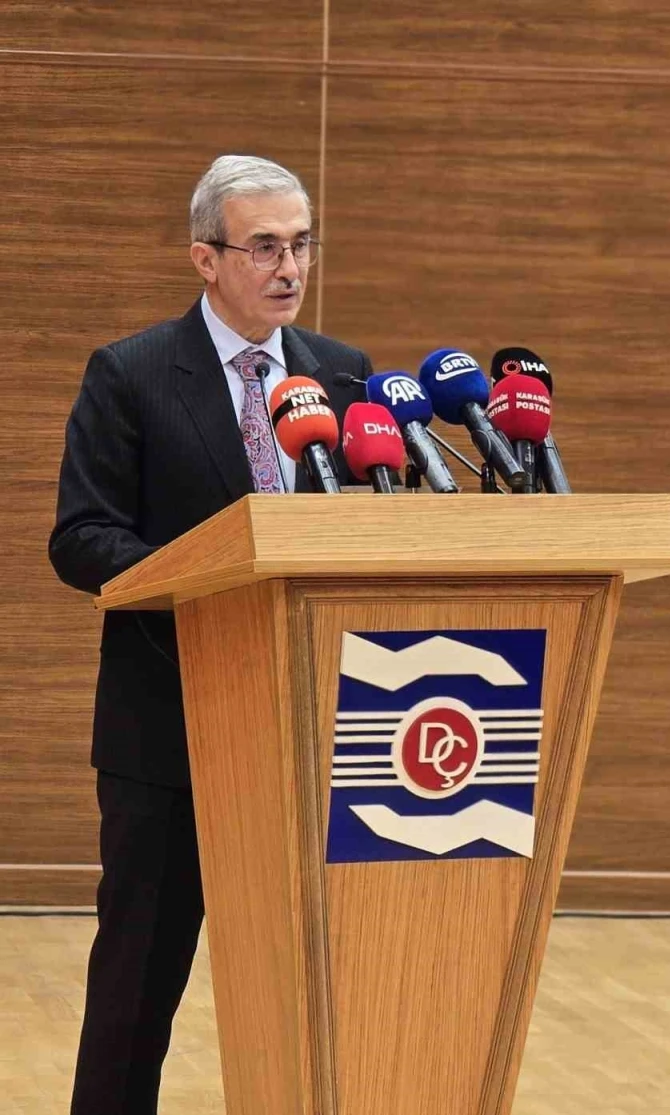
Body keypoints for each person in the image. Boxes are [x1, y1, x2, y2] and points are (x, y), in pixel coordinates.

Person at [48, 154, 371, 1115]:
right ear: (206, 257)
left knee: (315, 986)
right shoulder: (132, 373)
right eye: (264, 246)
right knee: (137, 990)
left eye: (301, 244)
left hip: (319, 729)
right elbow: (82, 537)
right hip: (172, 731)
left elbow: (370, 525)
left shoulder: (342, 373)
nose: (289, 267)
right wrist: (216, 571)